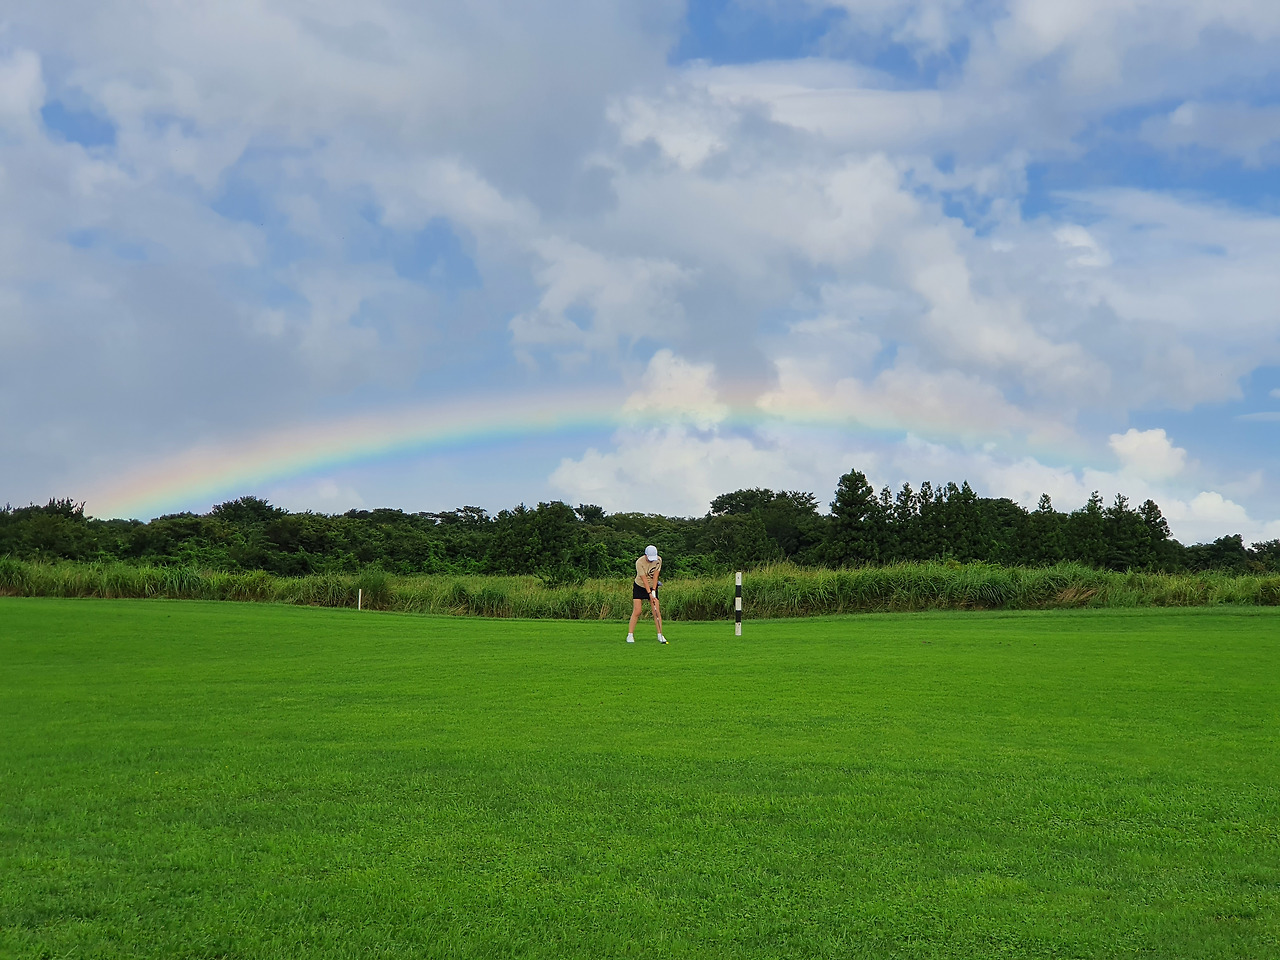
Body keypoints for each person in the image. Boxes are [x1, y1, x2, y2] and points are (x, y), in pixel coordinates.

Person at [628, 544, 666, 644]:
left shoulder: (658, 560)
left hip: (652, 586)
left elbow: (655, 576)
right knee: (637, 611)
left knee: (656, 611)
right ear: (645, 555)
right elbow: (643, 578)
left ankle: (660, 635)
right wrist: (649, 593)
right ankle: (630, 635)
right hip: (640, 586)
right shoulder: (639, 562)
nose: (651, 560)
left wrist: (653, 590)